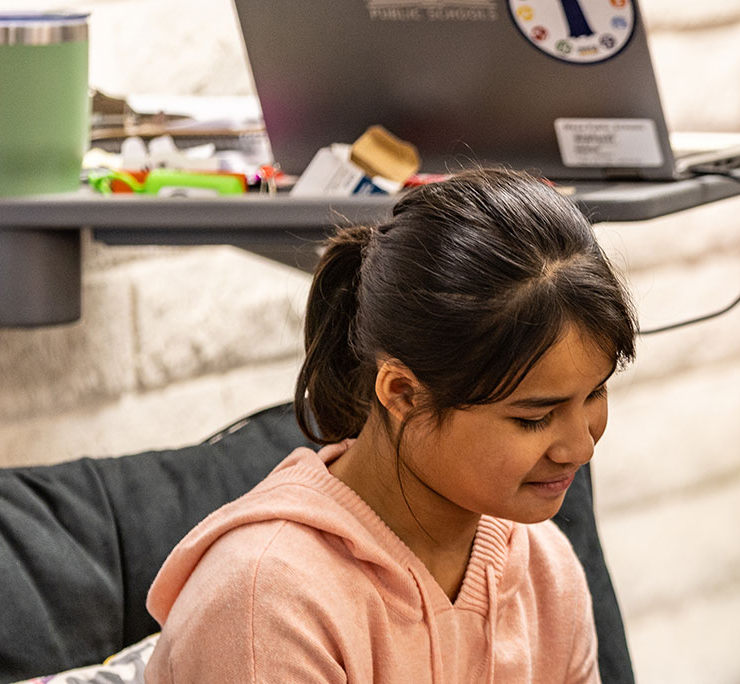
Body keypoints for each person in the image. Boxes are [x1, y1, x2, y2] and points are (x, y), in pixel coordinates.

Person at [145, 167, 636, 683]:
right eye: (534, 417)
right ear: (402, 394)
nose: (580, 447)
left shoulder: (544, 571)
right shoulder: (267, 603)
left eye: (596, 392)